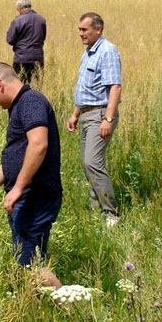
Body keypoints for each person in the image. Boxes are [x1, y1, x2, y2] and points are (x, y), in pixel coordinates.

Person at [0, 63, 63, 288]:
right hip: (27, 196)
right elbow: (17, 160)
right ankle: (38, 311)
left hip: (35, 196)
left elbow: (39, 145)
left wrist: (18, 188)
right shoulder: (20, 107)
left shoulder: (31, 102)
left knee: (32, 265)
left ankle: (76, 313)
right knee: (26, 264)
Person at [65, 12, 122, 227]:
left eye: (84, 30)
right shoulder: (88, 53)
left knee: (93, 162)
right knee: (88, 165)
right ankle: (96, 212)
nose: (80, 34)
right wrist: (75, 114)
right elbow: (85, 88)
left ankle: (111, 214)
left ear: (98, 30)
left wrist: (107, 118)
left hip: (99, 114)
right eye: (79, 29)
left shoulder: (107, 51)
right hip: (86, 113)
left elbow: (115, 87)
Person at [6, 0, 47, 84]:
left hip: (21, 58)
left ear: (20, 8)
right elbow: (43, 38)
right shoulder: (41, 19)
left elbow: (10, 40)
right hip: (38, 58)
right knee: (37, 87)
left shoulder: (17, 21)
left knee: (19, 86)